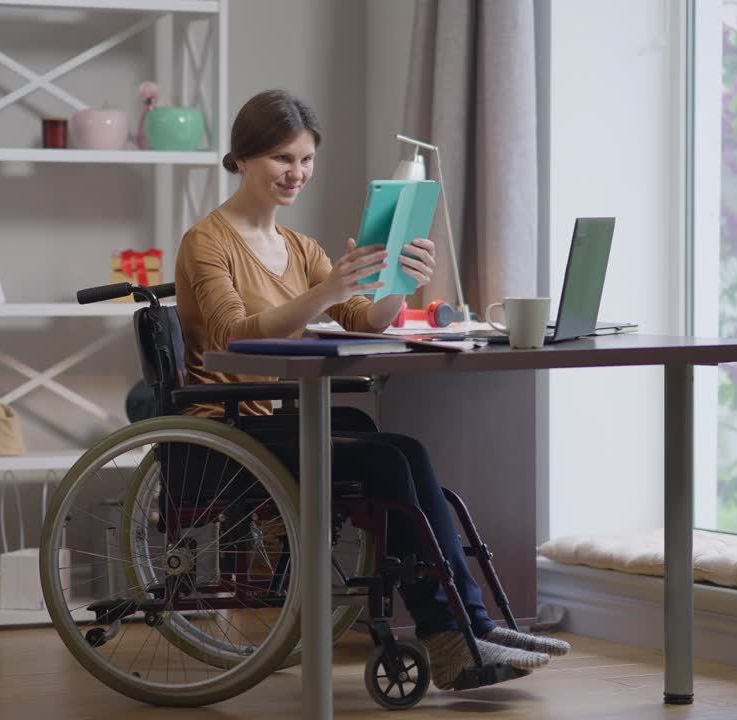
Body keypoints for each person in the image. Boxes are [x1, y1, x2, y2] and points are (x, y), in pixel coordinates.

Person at [173, 89, 570, 691]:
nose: (296, 174)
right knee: (388, 455)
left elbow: (365, 318)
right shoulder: (208, 241)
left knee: (404, 450)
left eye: (306, 160)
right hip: (227, 425)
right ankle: (452, 634)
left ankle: (471, 624)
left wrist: (400, 282)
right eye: (283, 159)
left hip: (282, 414)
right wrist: (325, 293)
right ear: (244, 157)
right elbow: (231, 336)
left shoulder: (299, 247)